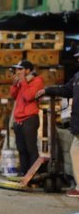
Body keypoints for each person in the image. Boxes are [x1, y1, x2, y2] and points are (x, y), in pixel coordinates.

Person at [35, 52, 79, 197]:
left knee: (75, 151)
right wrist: (47, 90)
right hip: (77, 124)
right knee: (75, 151)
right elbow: (67, 90)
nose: (78, 60)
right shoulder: (77, 77)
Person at [10, 60, 44, 176]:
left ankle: (33, 174)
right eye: (17, 69)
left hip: (30, 119)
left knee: (31, 149)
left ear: (28, 70)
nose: (17, 72)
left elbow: (29, 96)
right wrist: (15, 84)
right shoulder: (21, 82)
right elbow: (13, 95)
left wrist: (23, 82)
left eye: (20, 69)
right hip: (19, 120)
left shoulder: (37, 81)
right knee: (21, 149)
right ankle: (23, 172)